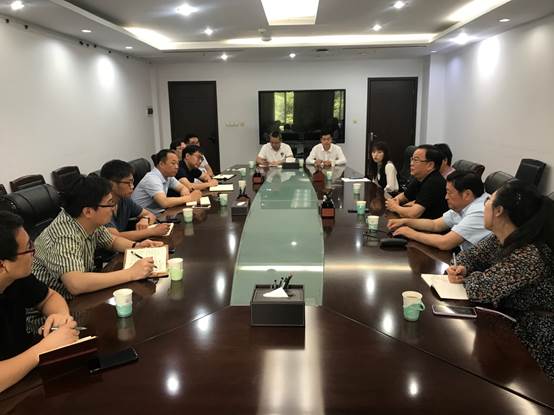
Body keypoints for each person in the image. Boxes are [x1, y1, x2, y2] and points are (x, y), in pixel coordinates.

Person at [446, 180, 554, 380]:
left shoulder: (530, 253)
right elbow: (469, 256)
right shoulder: (500, 238)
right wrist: (462, 267)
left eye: (488, 200)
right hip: (504, 320)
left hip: (531, 338)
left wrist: (467, 276)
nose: (484, 204)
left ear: (499, 211)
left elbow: (483, 289)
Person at [32, 176, 162, 300]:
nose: (113, 208)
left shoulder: (86, 220)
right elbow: (76, 284)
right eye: (109, 204)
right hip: (56, 308)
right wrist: (131, 273)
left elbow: (112, 241)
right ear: (88, 211)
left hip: (82, 295)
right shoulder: (64, 236)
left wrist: (137, 246)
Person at [0, 212, 79, 393]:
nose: (34, 253)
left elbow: (49, 297)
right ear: (2, 265)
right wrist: (44, 349)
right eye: (28, 248)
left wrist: (59, 315)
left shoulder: (17, 277)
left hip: (26, 374)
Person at [388, 171, 490, 251]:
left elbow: (445, 243)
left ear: (467, 194)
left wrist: (411, 233)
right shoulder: (465, 204)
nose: (446, 197)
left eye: (449, 193)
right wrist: (405, 222)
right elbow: (435, 225)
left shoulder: (480, 212)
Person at [100, 160, 171, 241]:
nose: (132, 186)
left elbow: (150, 214)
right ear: (111, 184)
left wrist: (145, 219)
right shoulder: (101, 206)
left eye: (132, 182)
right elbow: (114, 238)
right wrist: (152, 231)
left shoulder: (124, 199)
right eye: (128, 183)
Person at [385, 144, 448, 219]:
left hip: (431, 224)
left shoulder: (434, 182)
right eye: (412, 159)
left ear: (430, 165)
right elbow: (404, 196)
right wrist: (395, 201)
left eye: (416, 160)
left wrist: (395, 207)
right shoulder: (420, 177)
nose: (411, 163)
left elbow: (414, 214)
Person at [132, 149, 202, 214]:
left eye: (177, 164)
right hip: (141, 218)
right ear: (161, 164)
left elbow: (182, 188)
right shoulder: (152, 179)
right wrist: (190, 198)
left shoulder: (168, 176)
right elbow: (164, 203)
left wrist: (185, 194)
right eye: (173, 163)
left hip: (158, 213)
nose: (177, 167)